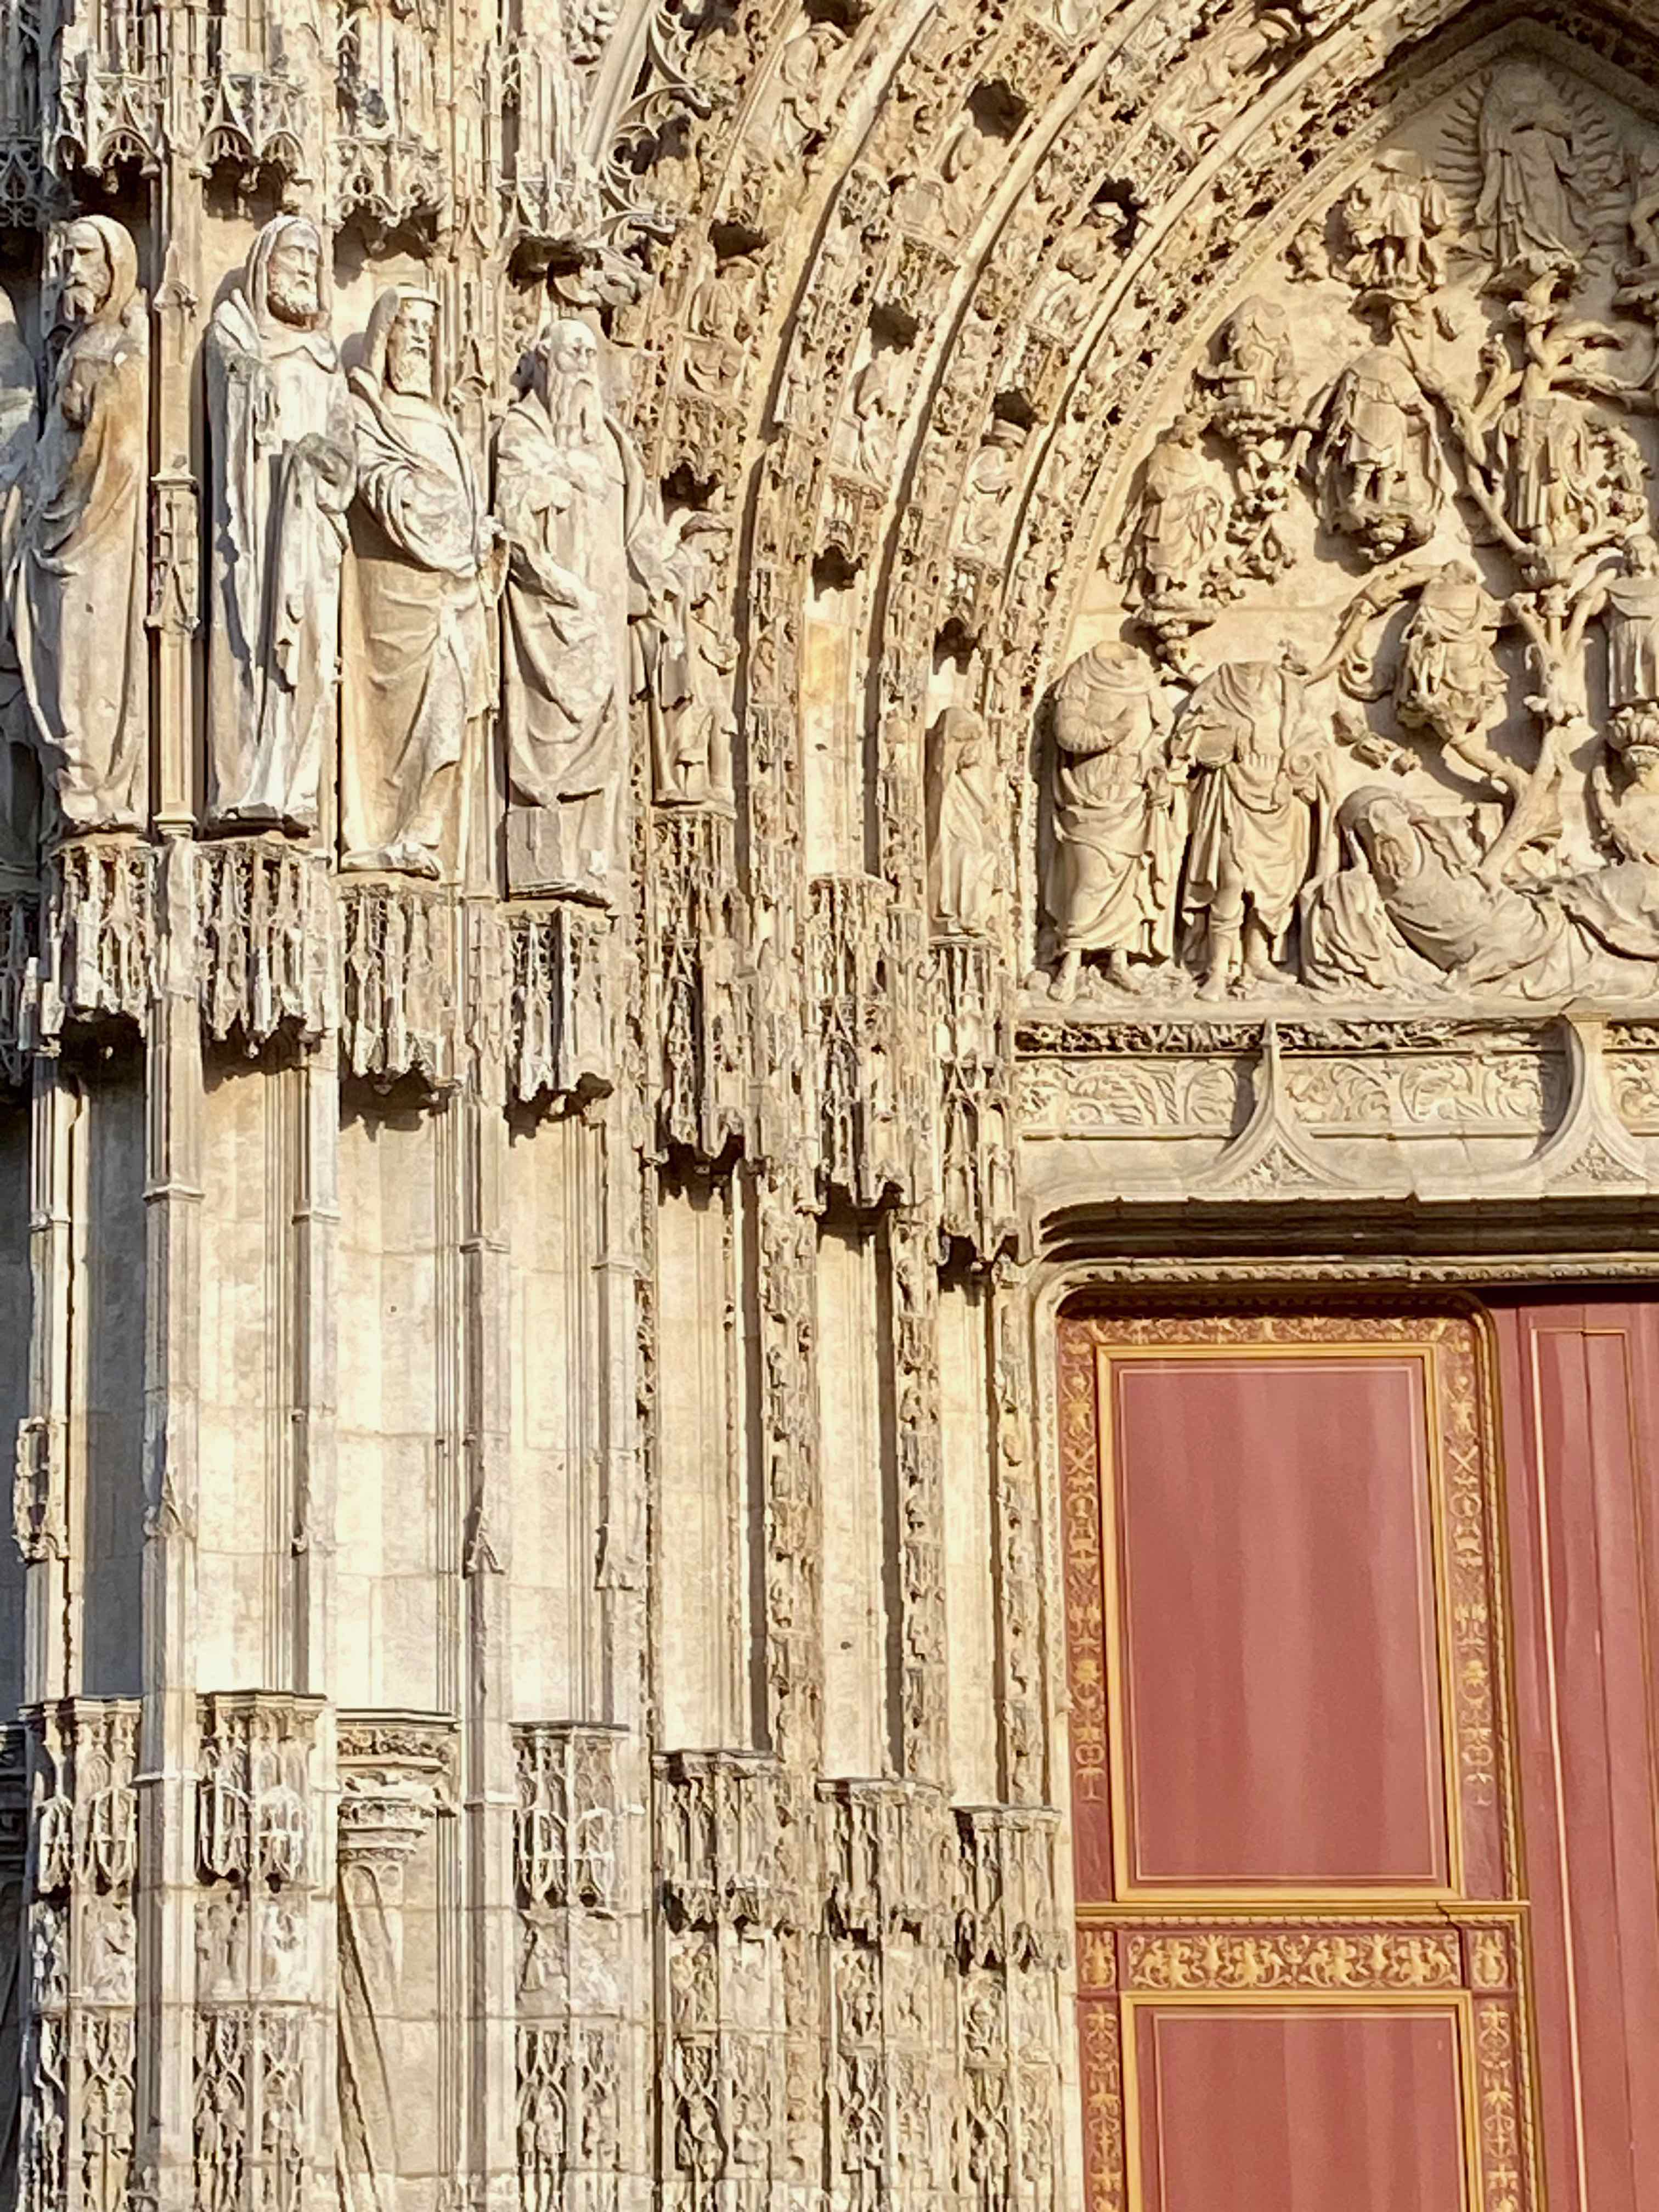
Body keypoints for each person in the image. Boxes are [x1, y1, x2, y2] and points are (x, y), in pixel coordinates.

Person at [206, 215, 355, 833]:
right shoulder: (236, 333)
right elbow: (227, 395)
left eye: (313, 259)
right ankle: (246, 783)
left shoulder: (326, 359)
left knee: (314, 652)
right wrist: (252, 377)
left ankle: (297, 785)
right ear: (262, 263)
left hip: (311, 524)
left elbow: (347, 450)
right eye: (292, 254)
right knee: (249, 640)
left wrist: (322, 463)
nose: (303, 268)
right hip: (250, 521)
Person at [341, 287, 495, 879]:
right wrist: (430, 507)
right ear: (385, 335)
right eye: (410, 329)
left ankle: (423, 834)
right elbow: (373, 480)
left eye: (430, 334)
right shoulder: (368, 412)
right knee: (396, 723)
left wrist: (479, 533)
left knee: (450, 715)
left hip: (453, 596)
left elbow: (462, 499)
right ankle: (385, 832)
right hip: (392, 595)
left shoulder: (444, 425)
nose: (421, 344)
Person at [9, 216, 148, 837]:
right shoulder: (74, 348)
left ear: (117, 266)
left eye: (86, 256)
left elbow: (122, 444)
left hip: (101, 533)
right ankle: (74, 782)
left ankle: (97, 785)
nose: (72, 270)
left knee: (92, 655)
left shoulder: (123, 346)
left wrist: (101, 394)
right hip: (53, 528)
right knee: (58, 659)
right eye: (66, 257)